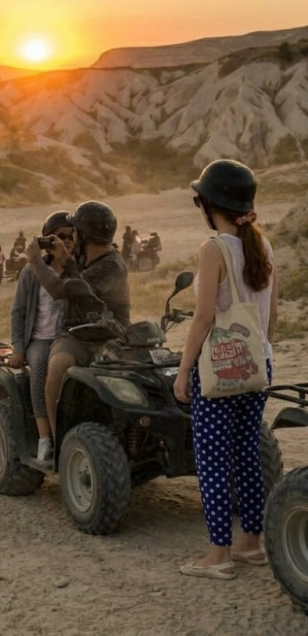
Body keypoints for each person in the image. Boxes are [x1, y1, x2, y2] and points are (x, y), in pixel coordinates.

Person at [173, 159, 277, 580]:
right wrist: (264, 354)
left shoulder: (214, 248)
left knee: (213, 460)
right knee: (247, 453)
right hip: (258, 362)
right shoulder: (263, 246)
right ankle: (251, 544)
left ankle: (219, 555)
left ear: (208, 203)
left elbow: (202, 319)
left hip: (219, 368)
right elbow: (269, 315)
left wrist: (183, 371)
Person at [25, 201, 130, 452]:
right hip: (75, 333)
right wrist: (65, 259)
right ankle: (56, 441)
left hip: (109, 334)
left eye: (74, 232)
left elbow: (62, 289)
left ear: (82, 236)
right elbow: (77, 279)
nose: (70, 236)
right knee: (57, 366)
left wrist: (35, 261)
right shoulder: (85, 258)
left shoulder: (111, 265)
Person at [9, 212, 72, 461]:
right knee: (40, 371)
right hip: (40, 338)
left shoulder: (76, 270)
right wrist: (18, 347)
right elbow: (18, 311)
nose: (66, 241)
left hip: (69, 338)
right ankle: (45, 438)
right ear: (48, 239)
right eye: (60, 236)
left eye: (71, 236)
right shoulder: (32, 270)